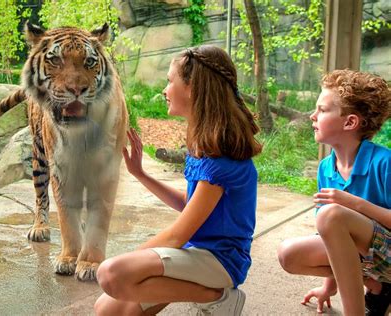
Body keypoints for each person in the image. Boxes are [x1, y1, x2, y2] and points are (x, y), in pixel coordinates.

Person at [94, 45, 262, 316]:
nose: (164, 90)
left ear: (193, 88)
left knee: (113, 274)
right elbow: (190, 204)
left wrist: (133, 259)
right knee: (107, 309)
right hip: (199, 253)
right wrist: (141, 174)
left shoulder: (221, 160)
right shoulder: (204, 146)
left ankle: (217, 297)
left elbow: (177, 234)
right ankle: (212, 295)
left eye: (170, 81)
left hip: (220, 261)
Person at [277, 69, 391, 315]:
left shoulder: (385, 162)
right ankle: (378, 287)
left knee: (331, 214)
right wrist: (328, 288)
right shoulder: (326, 169)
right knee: (289, 254)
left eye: (322, 110)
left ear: (350, 122)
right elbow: (333, 237)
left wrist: (356, 204)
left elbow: (335, 218)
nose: (312, 116)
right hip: (369, 260)